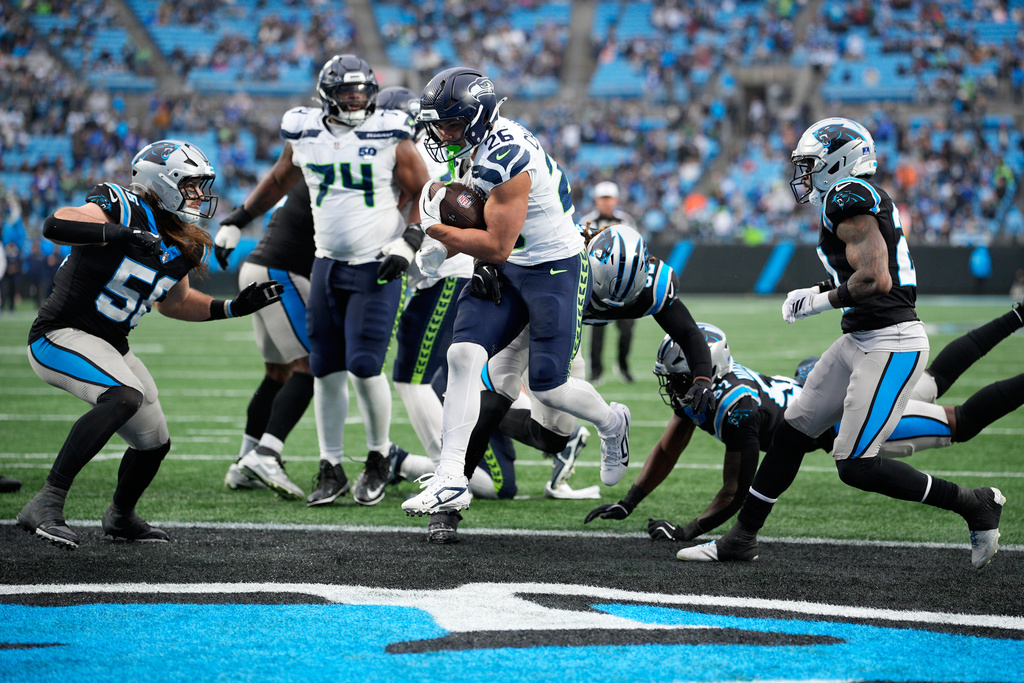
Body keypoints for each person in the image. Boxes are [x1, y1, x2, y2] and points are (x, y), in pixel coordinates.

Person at [676, 117, 1005, 569]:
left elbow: (875, 277)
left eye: (810, 164)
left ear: (839, 160)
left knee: (855, 464)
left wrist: (820, 302)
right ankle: (741, 539)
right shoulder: (851, 200)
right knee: (793, 432)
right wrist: (821, 290)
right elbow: (862, 271)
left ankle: (974, 503)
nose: (804, 175)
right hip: (862, 337)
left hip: (890, 342)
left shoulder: (847, 195)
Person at [399, 68, 657, 521]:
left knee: (548, 385)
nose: (442, 134)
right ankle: (450, 478)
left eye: (451, 125)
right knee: (463, 357)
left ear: (477, 118)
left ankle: (611, 422)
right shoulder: (474, 145)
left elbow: (496, 242)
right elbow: (484, 228)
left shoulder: (507, 155)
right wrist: (449, 244)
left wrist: (433, 230)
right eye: (438, 125)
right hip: (512, 264)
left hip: (553, 267)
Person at [17, 139, 283, 549]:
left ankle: (120, 517)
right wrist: (119, 234)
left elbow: (175, 303)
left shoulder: (184, 239)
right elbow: (56, 224)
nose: (201, 195)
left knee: (153, 440)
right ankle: (47, 500)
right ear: (162, 182)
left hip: (110, 343)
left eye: (202, 186)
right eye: (192, 185)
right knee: (123, 396)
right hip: (60, 333)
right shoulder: (120, 203)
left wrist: (232, 307)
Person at [587, 312, 1024, 543]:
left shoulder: (736, 407)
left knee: (958, 421)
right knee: (930, 384)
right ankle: (1017, 316)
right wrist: (629, 502)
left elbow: (737, 490)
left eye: (680, 377)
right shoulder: (705, 392)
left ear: (710, 369)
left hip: (850, 418)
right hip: (828, 404)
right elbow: (667, 449)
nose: (675, 387)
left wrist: (687, 531)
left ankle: (1016, 318)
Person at [212, 55, 430, 507]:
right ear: (327, 95)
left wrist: (408, 241)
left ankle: (376, 458)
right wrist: (238, 217)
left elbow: (426, 191)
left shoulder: (391, 132)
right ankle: (330, 466)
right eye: (347, 92)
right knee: (326, 370)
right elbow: (278, 179)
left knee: (366, 367)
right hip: (326, 265)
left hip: (376, 266)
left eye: (362, 91)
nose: (356, 100)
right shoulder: (304, 131)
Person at [428, 222, 717, 543]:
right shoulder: (560, 243)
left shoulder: (655, 285)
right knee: (496, 395)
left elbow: (689, 332)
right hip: (526, 306)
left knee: (552, 438)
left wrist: (703, 377)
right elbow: (501, 235)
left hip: (565, 329)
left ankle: (603, 422)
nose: (611, 305)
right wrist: (485, 266)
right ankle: (448, 508)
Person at [218, 182, 316, 501]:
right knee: (310, 366)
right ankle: (266, 453)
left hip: (258, 268)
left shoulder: (305, 177)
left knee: (278, 373)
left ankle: (243, 462)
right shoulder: (333, 174)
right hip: (280, 272)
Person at [578, 181, 639, 383]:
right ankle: (596, 370)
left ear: (616, 200)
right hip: (596, 283)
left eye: (609, 198)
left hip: (624, 284)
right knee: (597, 330)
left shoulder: (626, 220)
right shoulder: (587, 221)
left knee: (627, 328)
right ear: (596, 200)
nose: (606, 202)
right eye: (603, 198)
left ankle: (623, 365)